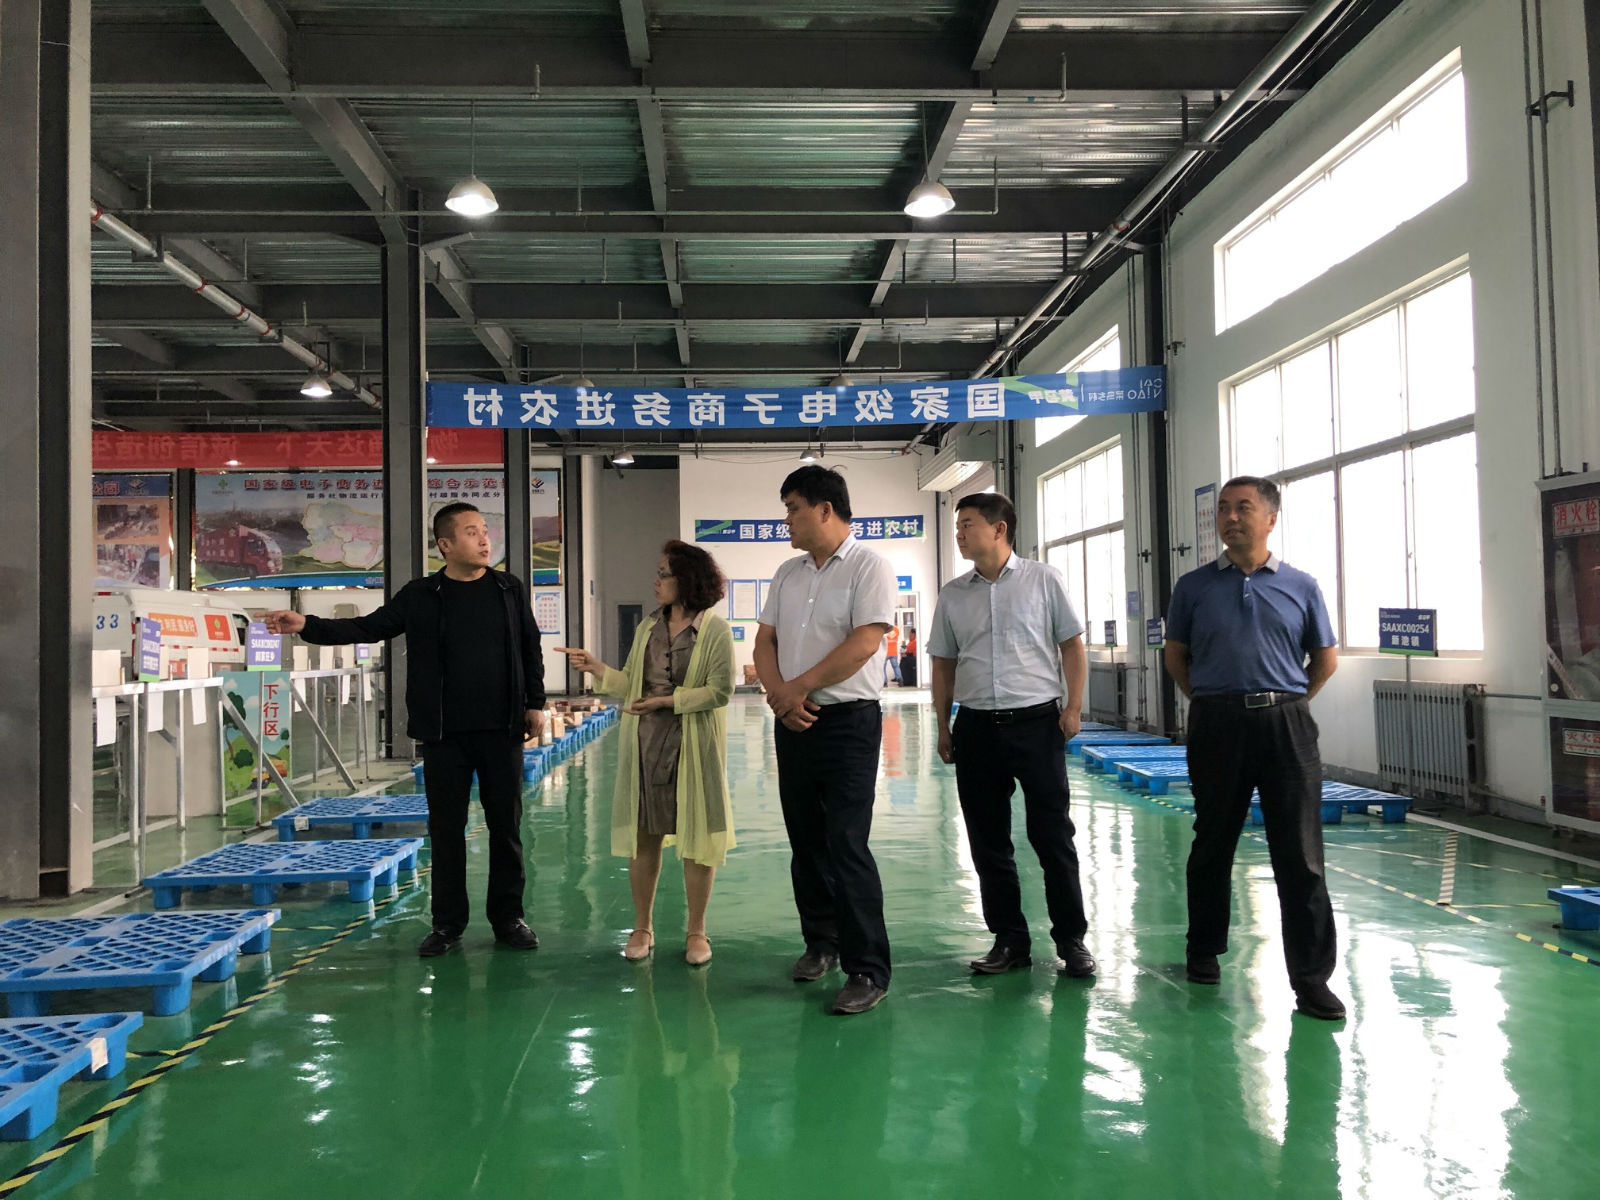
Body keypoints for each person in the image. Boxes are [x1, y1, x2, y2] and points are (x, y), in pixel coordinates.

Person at [262, 502, 544, 958]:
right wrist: (307, 625)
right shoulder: (422, 595)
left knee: (505, 828)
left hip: (502, 729)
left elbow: (530, 646)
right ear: (445, 545)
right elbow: (368, 627)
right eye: (471, 532)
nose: (484, 539)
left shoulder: (507, 588)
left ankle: (508, 918)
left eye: (485, 530)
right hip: (444, 734)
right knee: (446, 831)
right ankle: (447, 925)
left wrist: (535, 703)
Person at [1163, 475, 1344, 1020]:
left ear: (1270, 518)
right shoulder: (1193, 587)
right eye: (1224, 508)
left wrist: (1287, 702)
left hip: (1287, 725)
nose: (1231, 517)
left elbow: (1325, 659)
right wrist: (1210, 701)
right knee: (1213, 841)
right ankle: (1203, 949)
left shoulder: (1302, 586)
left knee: (1301, 854)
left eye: (1243, 508)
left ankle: (1311, 979)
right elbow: (1176, 657)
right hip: (1217, 724)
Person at [929, 492, 1096, 978]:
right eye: (957, 525)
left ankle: (1071, 941)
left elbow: (1072, 646)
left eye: (968, 524)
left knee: (1052, 837)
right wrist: (942, 725)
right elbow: (943, 664)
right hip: (976, 727)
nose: (959, 533)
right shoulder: (953, 595)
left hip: (1037, 725)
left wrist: (1073, 707)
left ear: (999, 529)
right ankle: (1009, 941)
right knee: (988, 841)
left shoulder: (1044, 580)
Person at [754, 465, 897, 1015]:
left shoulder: (869, 566)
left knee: (846, 842)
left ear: (825, 509)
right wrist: (781, 697)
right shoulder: (787, 574)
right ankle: (821, 942)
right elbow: (764, 641)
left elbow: (864, 643)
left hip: (847, 723)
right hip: (793, 721)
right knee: (806, 840)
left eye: (792, 508)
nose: (786, 520)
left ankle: (868, 969)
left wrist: (799, 688)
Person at [558, 540, 736, 966]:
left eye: (663, 574)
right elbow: (632, 684)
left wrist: (667, 702)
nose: (656, 582)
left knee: (697, 839)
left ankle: (697, 931)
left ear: (686, 580)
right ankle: (642, 927)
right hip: (647, 743)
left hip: (695, 746)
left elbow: (720, 690)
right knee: (644, 836)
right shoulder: (648, 628)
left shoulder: (715, 631)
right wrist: (597, 668)